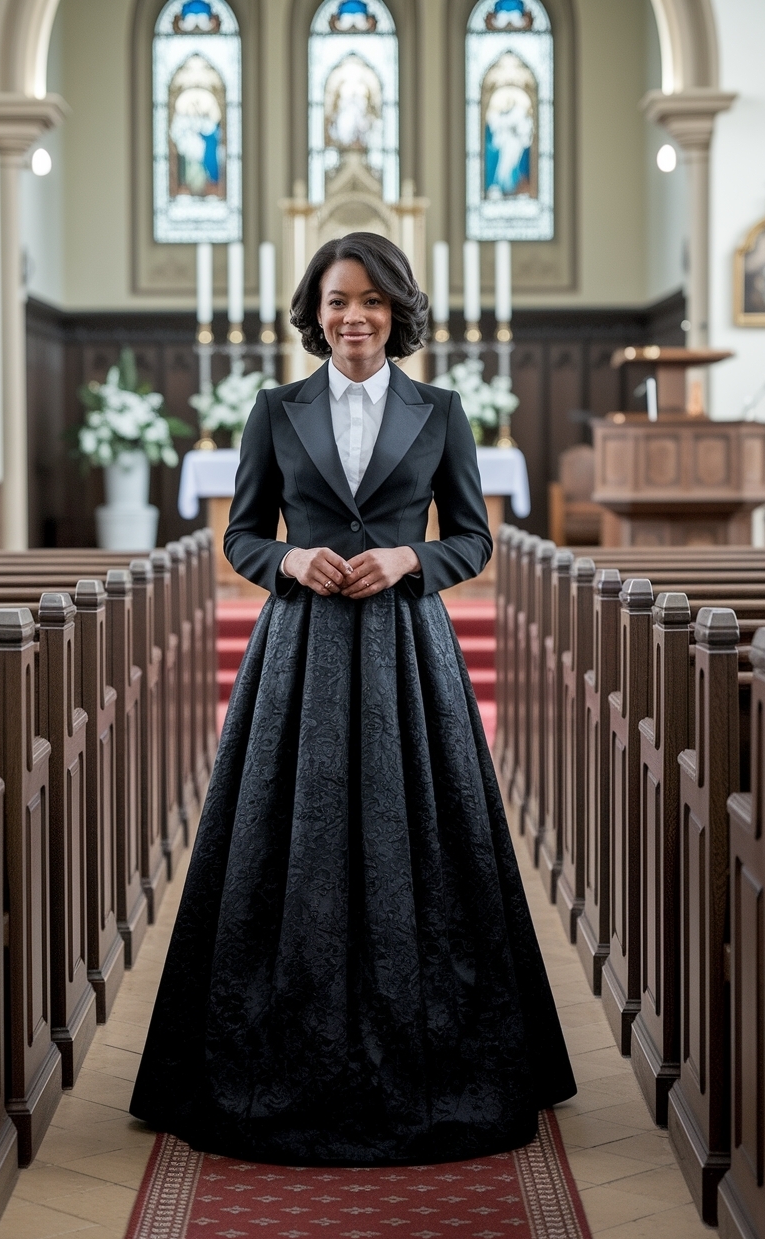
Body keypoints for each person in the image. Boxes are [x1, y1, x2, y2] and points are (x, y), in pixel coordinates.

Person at [129, 231, 575, 1165]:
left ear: (397, 312)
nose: (353, 316)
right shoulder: (274, 409)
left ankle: (434, 1039)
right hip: (299, 650)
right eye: (337, 301)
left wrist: (413, 556)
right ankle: (273, 1039)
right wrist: (289, 557)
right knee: (283, 833)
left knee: (427, 829)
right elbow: (242, 534)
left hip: (410, 651)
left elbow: (474, 541)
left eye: (371, 301)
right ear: (315, 313)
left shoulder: (441, 410)